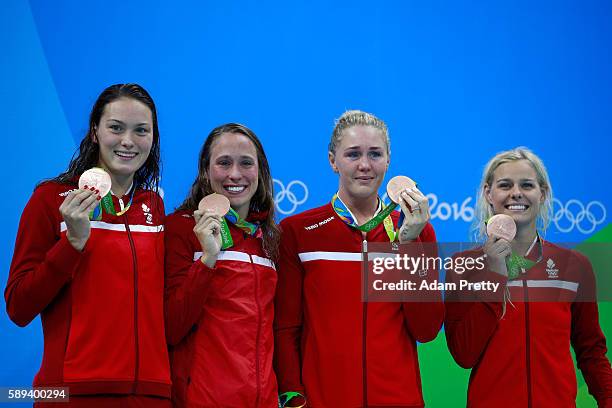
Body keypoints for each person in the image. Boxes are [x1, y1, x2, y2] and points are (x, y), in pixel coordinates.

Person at [5, 84, 171, 407]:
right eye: (115, 127)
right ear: (95, 131)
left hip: (150, 396)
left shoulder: (154, 206)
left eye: (141, 130)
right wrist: (72, 244)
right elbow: (19, 307)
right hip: (72, 395)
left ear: (153, 139)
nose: (128, 141)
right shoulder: (50, 200)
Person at [274, 110, 444, 407]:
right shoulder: (298, 232)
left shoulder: (418, 230)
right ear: (333, 160)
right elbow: (287, 328)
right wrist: (293, 397)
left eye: (375, 154)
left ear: (388, 160)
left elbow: (427, 330)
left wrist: (408, 245)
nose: (365, 165)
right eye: (353, 154)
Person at [444, 147, 612, 407]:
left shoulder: (574, 266)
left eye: (527, 185)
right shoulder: (463, 266)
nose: (516, 193)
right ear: (489, 193)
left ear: (542, 194)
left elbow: (591, 351)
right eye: (504, 185)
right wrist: (494, 277)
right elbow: (464, 354)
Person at [164, 123, 279, 407]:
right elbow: (171, 327)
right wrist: (207, 260)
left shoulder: (270, 238)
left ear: (261, 172)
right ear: (205, 170)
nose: (235, 174)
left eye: (246, 163)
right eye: (224, 162)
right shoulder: (180, 229)